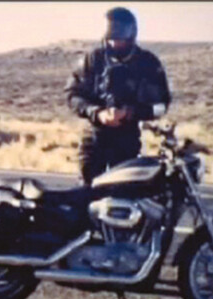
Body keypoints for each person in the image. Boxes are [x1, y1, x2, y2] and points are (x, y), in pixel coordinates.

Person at [65, 7, 172, 185]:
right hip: (94, 139)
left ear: (131, 37)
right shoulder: (93, 60)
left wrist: (131, 112)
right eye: (111, 39)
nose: (114, 44)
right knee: (86, 195)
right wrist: (97, 113)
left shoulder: (148, 64)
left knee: (124, 196)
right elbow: (72, 95)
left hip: (126, 142)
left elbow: (161, 105)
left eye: (120, 39)